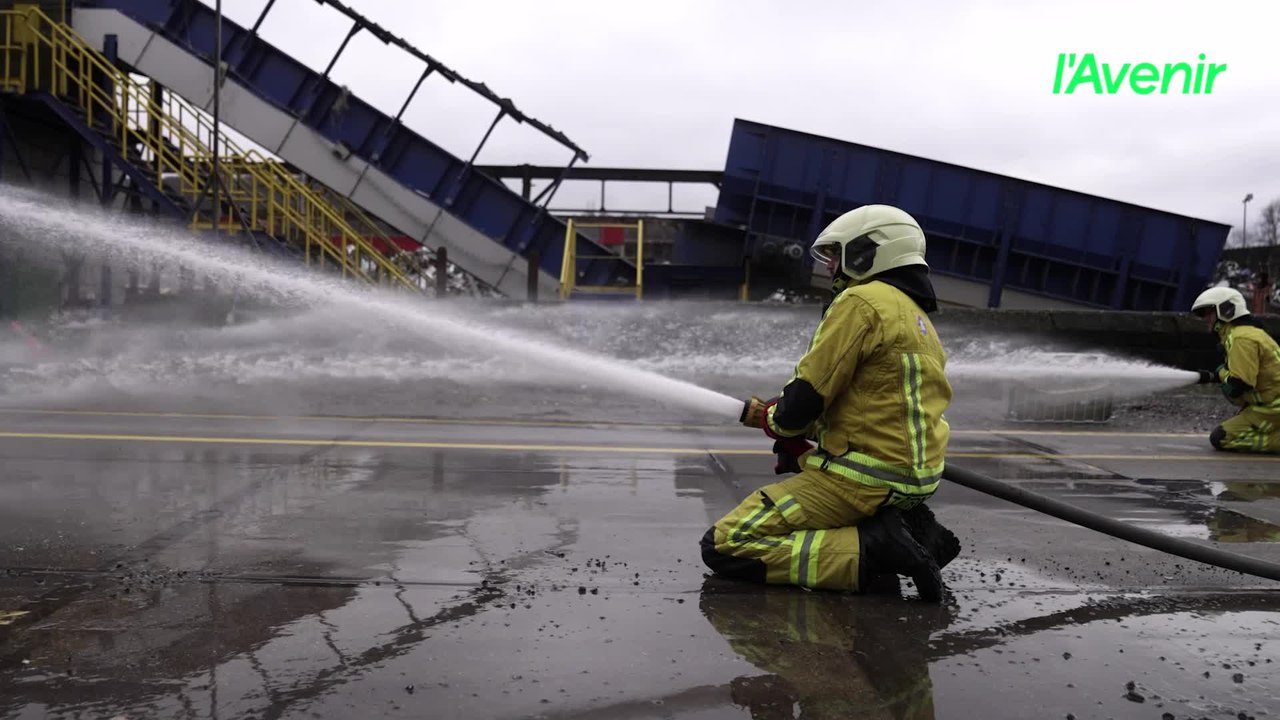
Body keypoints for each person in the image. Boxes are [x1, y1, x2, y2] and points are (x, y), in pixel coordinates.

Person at [699, 204, 960, 602]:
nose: (831, 266)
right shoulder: (917, 318)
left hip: (862, 482)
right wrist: (805, 446)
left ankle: (873, 549)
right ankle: (905, 527)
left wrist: (779, 421)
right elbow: (870, 405)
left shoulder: (861, 302)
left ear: (870, 252)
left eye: (838, 254)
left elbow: (804, 400)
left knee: (727, 542)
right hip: (910, 479)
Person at [1191, 286, 1280, 454]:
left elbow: (1240, 384)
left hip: (1272, 410)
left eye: (1209, 313)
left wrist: (1221, 374)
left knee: (1222, 438)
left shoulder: (1241, 338)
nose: (1206, 319)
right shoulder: (1249, 333)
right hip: (1268, 406)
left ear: (1226, 311)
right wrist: (1216, 376)